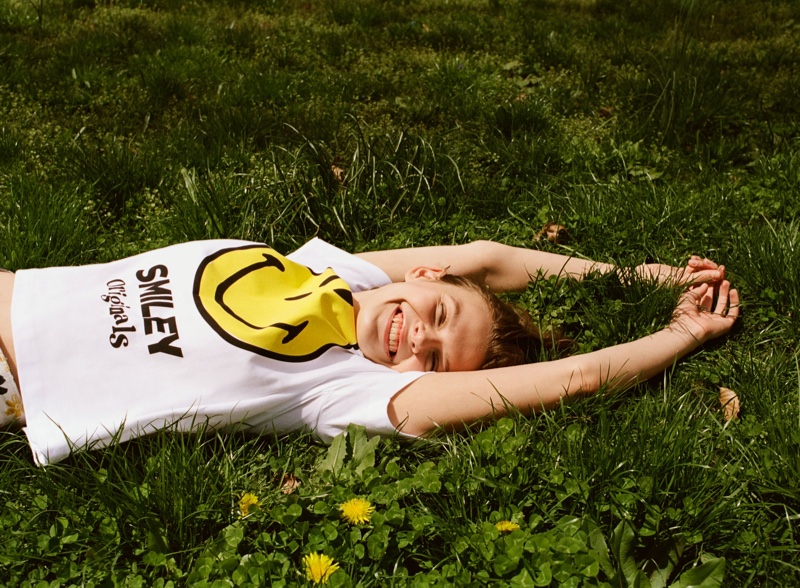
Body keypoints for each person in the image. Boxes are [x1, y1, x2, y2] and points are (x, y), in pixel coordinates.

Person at [0, 238, 737, 465]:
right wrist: (648, 276)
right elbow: (485, 258)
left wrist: (678, 334)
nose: (422, 337)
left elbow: (571, 379)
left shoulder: (340, 391)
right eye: (438, 312)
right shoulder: (336, 276)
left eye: (441, 356)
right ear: (419, 278)